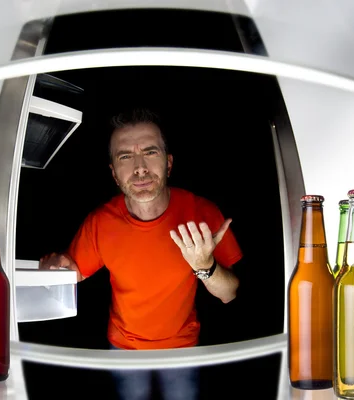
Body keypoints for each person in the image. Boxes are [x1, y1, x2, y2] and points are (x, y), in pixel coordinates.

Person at [39, 108, 243, 400]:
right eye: (125, 157)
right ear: (113, 171)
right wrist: (53, 272)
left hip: (182, 349)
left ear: (168, 162)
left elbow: (230, 294)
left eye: (150, 152)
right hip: (124, 350)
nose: (140, 168)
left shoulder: (203, 213)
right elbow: (72, 273)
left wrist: (205, 266)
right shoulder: (100, 222)